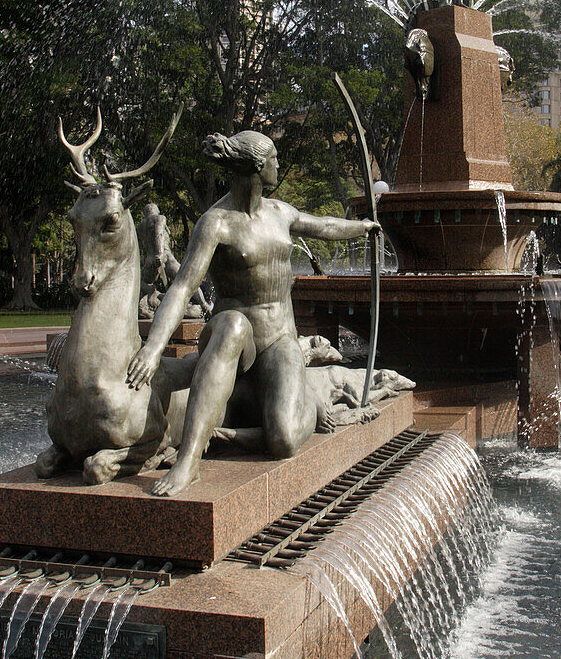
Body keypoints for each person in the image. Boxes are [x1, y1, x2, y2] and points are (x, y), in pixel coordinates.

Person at [126, 130, 380, 496]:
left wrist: (363, 227)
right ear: (259, 167)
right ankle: (189, 460)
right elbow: (181, 288)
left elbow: (323, 224)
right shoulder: (216, 223)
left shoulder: (281, 213)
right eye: (275, 159)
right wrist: (153, 348)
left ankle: (304, 403)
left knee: (285, 440)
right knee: (232, 324)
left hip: (279, 339)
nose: (279, 166)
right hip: (234, 340)